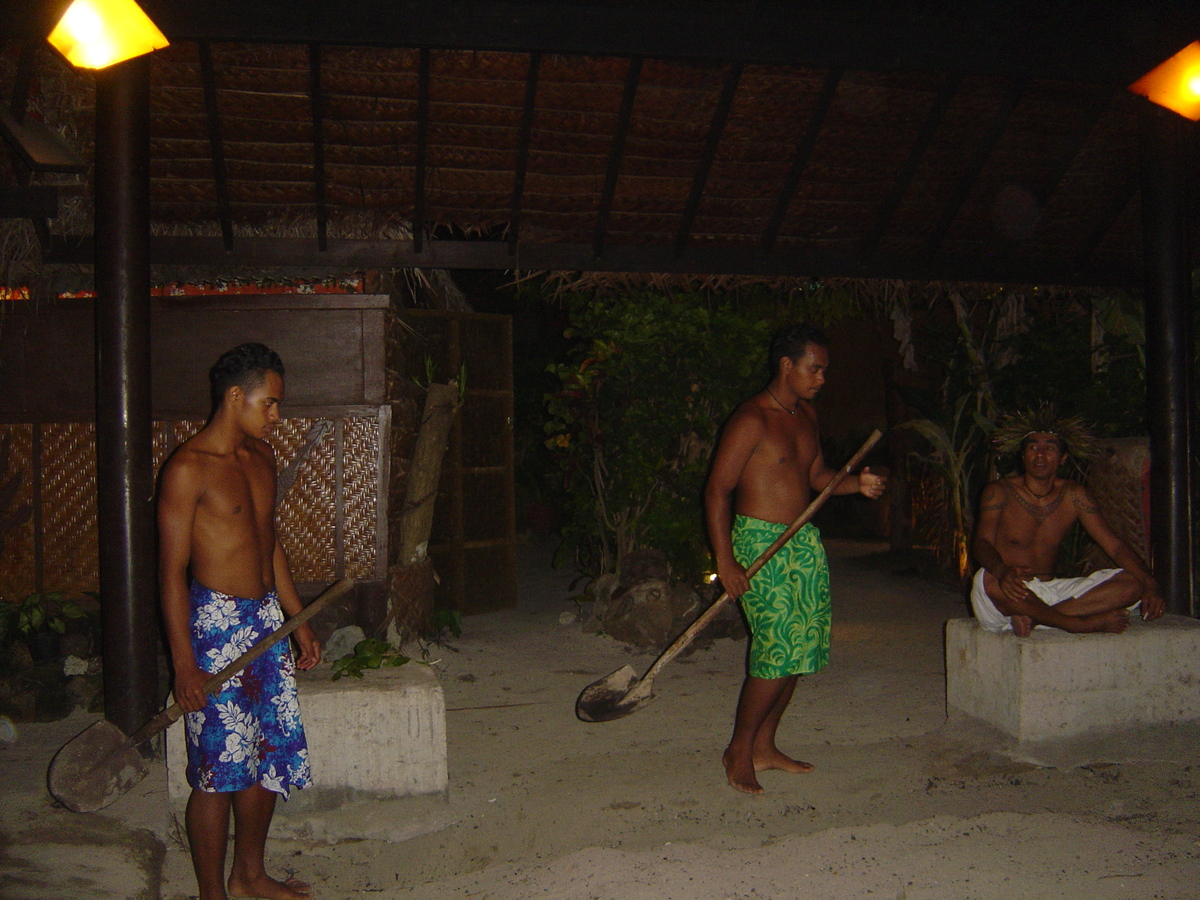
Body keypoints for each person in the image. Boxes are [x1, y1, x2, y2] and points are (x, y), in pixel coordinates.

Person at [158, 343, 320, 900]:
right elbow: (171, 575)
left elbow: (269, 544)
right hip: (213, 627)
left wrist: (296, 620)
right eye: (269, 403)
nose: (277, 415)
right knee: (218, 771)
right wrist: (184, 665)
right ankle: (213, 894)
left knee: (268, 756)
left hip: (266, 625)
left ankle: (249, 875)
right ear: (236, 397)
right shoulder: (186, 470)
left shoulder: (260, 460)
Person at [705, 323, 887, 794]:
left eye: (824, 370)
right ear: (787, 365)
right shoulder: (751, 420)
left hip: (801, 541)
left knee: (801, 649)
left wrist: (857, 485)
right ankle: (739, 749)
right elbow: (717, 490)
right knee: (776, 650)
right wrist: (726, 562)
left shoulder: (806, 416)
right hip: (756, 542)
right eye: (815, 368)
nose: (822, 378)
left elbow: (817, 475)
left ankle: (765, 745)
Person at [970, 406, 1165, 638]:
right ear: (1023, 457)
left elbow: (1115, 546)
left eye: (1049, 448)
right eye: (1033, 448)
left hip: (1052, 592)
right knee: (986, 578)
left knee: (1134, 583)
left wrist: (1151, 584)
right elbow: (981, 543)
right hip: (1009, 592)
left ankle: (1038, 619)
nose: (1040, 455)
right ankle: (1074, 624)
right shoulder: (998, 492)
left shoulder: (1075, 496)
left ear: (1062, 458)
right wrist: (1002, 571)